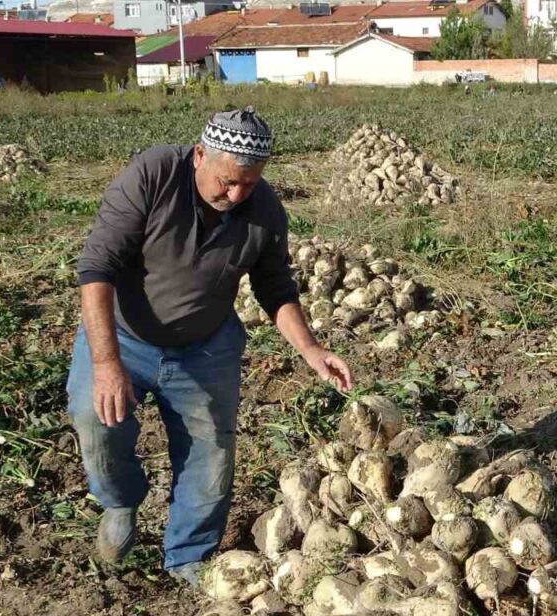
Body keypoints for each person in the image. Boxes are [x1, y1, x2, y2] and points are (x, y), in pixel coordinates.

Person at [67, 107, 353, 586]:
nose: (236, 194)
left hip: (205, 346)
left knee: (211, 455)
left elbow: (274, 287)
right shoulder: (153, 175)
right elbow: (97, 268)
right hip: (123, 336)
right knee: (94, 420)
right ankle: (120, 501)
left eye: (249, 183)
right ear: (200, 155)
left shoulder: (263, 207)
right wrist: (106, 361)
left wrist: (310, 348)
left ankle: (189, 558)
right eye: (228, 181)